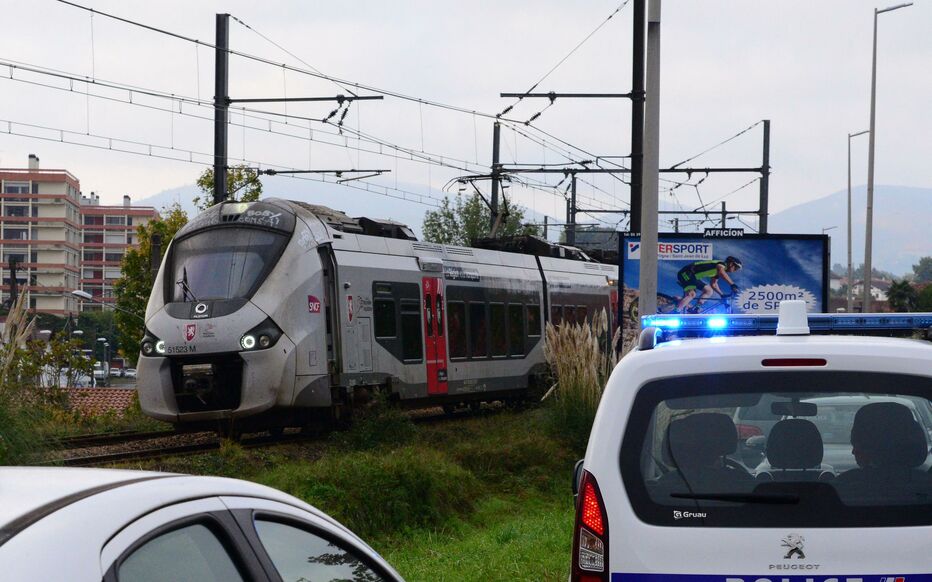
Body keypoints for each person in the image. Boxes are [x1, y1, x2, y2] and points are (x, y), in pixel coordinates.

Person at [675, 256, 742, 313]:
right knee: (692, 294)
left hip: (691, 275)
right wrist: (732, 284)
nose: (735, 270)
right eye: (736, 268)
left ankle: (695, 308)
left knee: (709, 290)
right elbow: (722, 272)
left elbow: (713, 284)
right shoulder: (721, 264)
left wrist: (722, 295)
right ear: (731, 264)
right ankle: (676, 312)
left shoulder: (717, 272)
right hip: (686, 273)